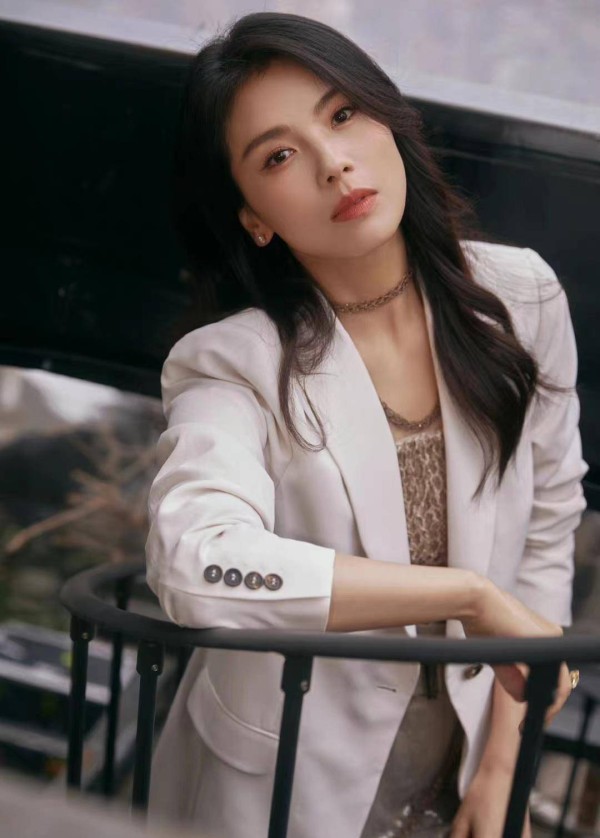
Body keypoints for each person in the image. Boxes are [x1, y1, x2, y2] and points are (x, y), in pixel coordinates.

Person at [145, 12, 587, 838]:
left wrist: (504, 769)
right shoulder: (233, 362)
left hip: (465, 770)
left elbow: (548, 528)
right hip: (282, 787)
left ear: (390, 120)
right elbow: (195, 560)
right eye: (278, 156)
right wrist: (468, 596)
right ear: (254, 217)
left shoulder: (522, 299)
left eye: (343, 114)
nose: (333, 162)